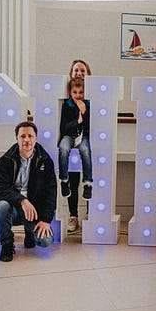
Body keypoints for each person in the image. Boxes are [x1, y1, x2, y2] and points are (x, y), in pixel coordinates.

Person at [0, 122, 57, 262]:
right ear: (17, 138)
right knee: (2, 205)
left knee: (45, 242)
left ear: (36, 138)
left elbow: (51, 191)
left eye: (30, 136)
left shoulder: (45, 160)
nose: (26, 140)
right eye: (22, 136)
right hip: (13, 207)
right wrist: (21, 200)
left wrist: (46, 220)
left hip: (34, 211)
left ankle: (29, 232)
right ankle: (7, 245)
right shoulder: (6, 160)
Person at [64, 59, 92, 234]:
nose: (79, 73)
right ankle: (73, 215)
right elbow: (64, 125)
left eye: (82, 70)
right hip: (71, 141)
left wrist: (85, 112)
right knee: (73, 180)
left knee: (90, 179)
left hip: (88, 142)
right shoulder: (66, 100)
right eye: (76, 70)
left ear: (88, 74)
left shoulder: (94, 98)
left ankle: (91, 214)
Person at [58, 76, 93, 201]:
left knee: (85, 150)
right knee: (63, 148)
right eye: (75, 92)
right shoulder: (67, 106)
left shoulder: (89, 106)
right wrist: (77, 122)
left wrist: (84, 113)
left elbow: (91, 126)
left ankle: (88, 183)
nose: (78, 95)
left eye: (81, 92)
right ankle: (64, 180)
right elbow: (64, 127)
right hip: (69, 135)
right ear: (70, 93)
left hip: (82, 136)